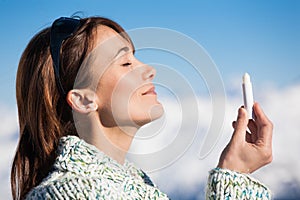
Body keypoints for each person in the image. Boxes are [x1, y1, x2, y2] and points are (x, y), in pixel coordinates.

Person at [11, 16, 273, 200]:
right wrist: (234, 179)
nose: (149, 69)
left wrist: (235, 171)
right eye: (125, 63)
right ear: (83, 100)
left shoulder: (135, 185)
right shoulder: (70, 193)